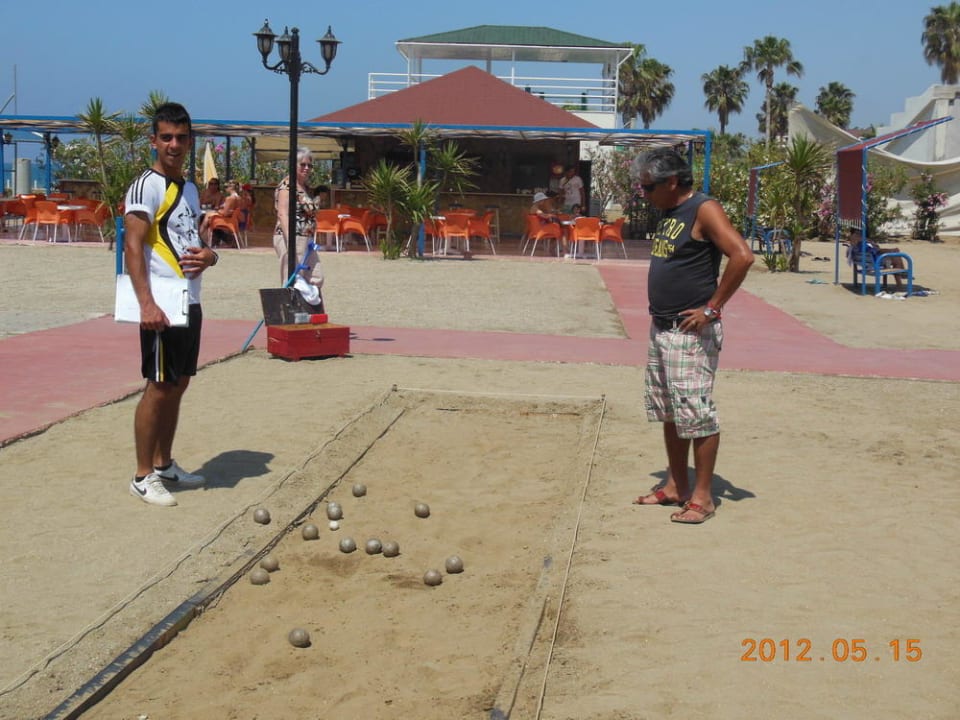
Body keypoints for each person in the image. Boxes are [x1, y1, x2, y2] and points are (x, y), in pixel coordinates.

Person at [630, 148, 754, 524]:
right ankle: (675, 485)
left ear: (671, 182)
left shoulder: (704, 208)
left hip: (689, 333)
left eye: (648, 187)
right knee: (671, 411)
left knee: (697, 414)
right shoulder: (670, 211)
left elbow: (742, 256)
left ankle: (703, 497)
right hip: (663, 327)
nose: (644, 194)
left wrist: (712, 308)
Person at [124, 102, 219, 507]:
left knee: (178, 384)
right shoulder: (146, 184)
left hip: (187, 300)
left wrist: (210, 257)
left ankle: (164, 464)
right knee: (158, 386)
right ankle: (143, 475)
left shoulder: (191, 188)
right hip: (160, 302)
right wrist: (145, 303)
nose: (174, 145)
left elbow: (189, 240)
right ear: (154, 141)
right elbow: (131, 245)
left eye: (181, 137)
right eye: (166, 137)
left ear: (190, 140)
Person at [273, 147, 323, 286]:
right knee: (294, 279)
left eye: (309, 165)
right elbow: (282, 213)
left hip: (306, 238)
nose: (307, 168)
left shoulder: (305, 187)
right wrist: (290, 241)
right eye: (302, 164)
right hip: (292, 237)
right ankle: (290, 307)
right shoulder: (287, 186)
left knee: (316, 278)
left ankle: (309, 306)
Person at [210, 180, 241, 247]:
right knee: (211, 219)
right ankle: (218, 242)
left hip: (228, 221)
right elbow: (232, 210)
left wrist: (218, 211)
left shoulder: (229, 198)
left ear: (231, 188)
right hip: (234, 220)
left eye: (226, 187)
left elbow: (225, 213)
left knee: (210, 220)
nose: (225, 189)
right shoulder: (239, 198)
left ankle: (214, 242)